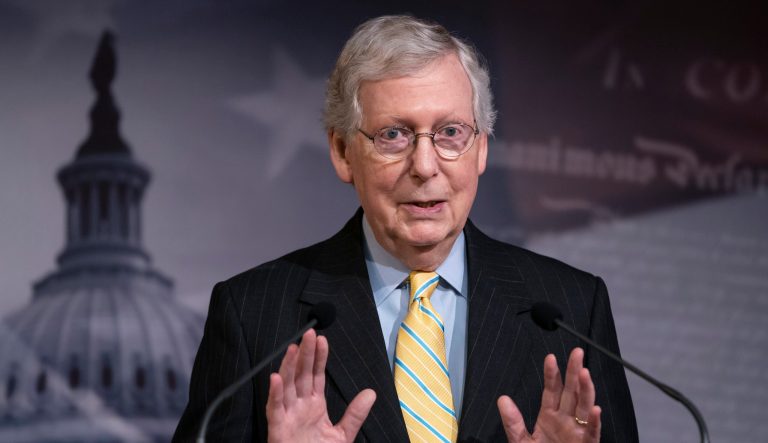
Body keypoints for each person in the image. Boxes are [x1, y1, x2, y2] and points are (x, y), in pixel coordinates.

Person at [173, 15, 638, 443]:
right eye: (393, 135)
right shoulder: (254, 315)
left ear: (481, 149)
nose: (424, 166)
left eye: (451, 133)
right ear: (341, 151)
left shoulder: (572, 310)